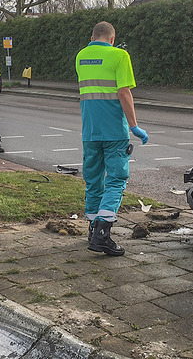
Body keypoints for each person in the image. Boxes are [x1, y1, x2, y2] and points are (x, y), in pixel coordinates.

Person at [76, 21, 149, 256]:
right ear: (112, 38)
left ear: (92, 36)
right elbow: (123, 92)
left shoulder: (81, 57)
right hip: (114, 132)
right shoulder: (119, 56)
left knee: (94, 180)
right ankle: (102, 235)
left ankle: (92, 228)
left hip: (90, 131)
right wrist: (134, 126)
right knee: (116, 179)